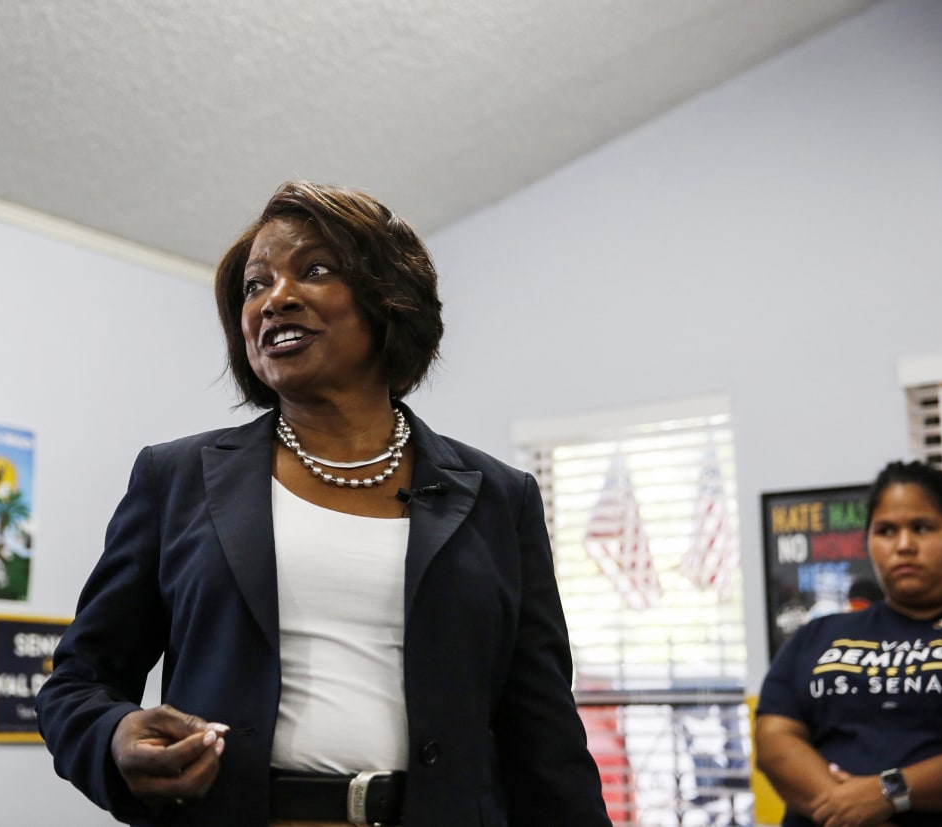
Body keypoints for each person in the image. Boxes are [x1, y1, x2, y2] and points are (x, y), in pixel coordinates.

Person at [36, 180, 609, 826]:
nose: (275, 299)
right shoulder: (175, 479)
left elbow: (545, 740)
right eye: (256, 285)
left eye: (313, 270)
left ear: (388, 297)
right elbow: (77, 680)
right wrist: (114, 736)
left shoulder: (500, 499)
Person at [755, 460, 942, 827]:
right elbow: (775, 738)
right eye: (886, 530)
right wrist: (847, 809)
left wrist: (889, 794)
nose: (904, 545)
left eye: (922, 528)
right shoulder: (818, 634)